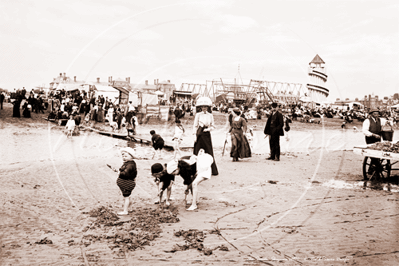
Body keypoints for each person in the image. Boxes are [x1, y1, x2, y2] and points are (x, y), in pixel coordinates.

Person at [362, 108, 391, 179]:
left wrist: (389, 123)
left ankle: (371, 169)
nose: (376, 115)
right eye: (374, 113)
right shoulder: (367, 121)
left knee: (377, 154)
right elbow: (364, 131)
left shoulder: (380, 120)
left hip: (378, 138)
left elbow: (388, 122)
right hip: (370, 138)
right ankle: (375, 168)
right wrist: (373, 135)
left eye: (377, 113)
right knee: (372, 154)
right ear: (371, 114)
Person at [193, 97, 218, 175]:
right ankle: (195, 170)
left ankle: (212, 170)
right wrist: (194, 135)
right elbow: (195, 126)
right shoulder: (198, 115)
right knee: (197, 152)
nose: (204, 108)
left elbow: (213, 126)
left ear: (208, 107)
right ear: (200, 107)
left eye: (205, 107)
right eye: (202, 107)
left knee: (209, 151)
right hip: (199, 134)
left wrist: (208, 129)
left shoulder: (210, 115)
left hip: (206, 135)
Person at [115, 147, 137, 215]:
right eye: (123, 156)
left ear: (131, 156)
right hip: (127, 182)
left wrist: (119, 173)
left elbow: (126, 174)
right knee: (127, 196)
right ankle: (128, 207)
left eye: (126, 156)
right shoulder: (128, 163)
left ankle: (125, 211)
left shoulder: (130, 165)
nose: (124, 157)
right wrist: (118, 170)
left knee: (126, 197)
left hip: (127, 182)